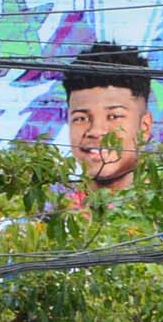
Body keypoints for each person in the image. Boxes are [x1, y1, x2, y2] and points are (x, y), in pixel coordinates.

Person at [62, 41, 154, 209]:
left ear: (144, 127)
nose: (96, 131)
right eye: (81, 118)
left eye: (114, 116)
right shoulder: (51, 220)